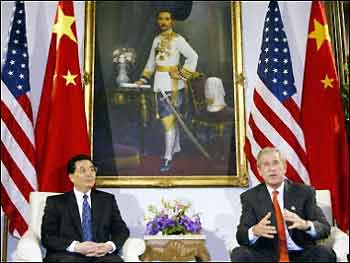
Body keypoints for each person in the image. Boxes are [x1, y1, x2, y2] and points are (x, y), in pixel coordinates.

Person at [231, 147, 336, 262]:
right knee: (239, 254)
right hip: (266, 256)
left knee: (324, 252)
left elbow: (324, 228)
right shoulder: (250, 197)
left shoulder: (304, 192)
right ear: (260, 171)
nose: (272, 169)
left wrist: (305, 224)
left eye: (276, 163)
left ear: (284, 167)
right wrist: (254, 231)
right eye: (266, 164)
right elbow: (241, 236)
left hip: (300, 254)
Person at [135, 8, 198, 172]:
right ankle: (176, 149)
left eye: (167, 19)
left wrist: (182, 74)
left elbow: (193, 56)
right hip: (159, 85)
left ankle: (167, 157)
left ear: (172, 22)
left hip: (174, 86)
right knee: (170, 120)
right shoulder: (156, 39)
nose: (163, 22)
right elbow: (151, 62)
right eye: (160, 19)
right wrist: (144, 78)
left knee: (168, 121)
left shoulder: (178, 39)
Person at [41, 154, 130, 262]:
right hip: (68, 255)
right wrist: (76, 247)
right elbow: (48, 236)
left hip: (101, 255)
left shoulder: (107, 200)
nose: (89, 174)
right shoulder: (55, 202)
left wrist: (109, 246)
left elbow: (121, 230)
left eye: (92, 170)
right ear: (71, 177)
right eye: (83, 170)